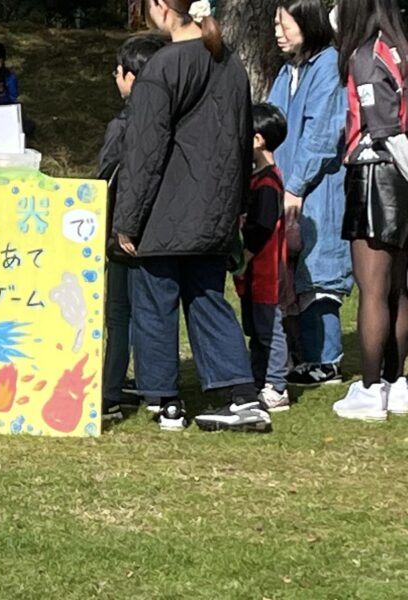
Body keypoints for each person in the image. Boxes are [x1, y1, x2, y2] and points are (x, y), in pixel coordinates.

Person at [113, 0, 271, 433]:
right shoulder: (231, 65)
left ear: (162, 7)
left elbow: (144, 150)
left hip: (164, 211)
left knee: (154, 304)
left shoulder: (163, 67)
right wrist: (237, 206)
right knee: (207, 299)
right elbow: (242, 143)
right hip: (215, 208)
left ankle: (166, 402)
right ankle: (242, 395)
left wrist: (127, 219)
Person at [268, 0, 353, 385]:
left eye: (285, 24)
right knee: (289, 274)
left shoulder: (328, 67)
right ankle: (299, 356)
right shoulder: (288, 71)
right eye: (276, 23)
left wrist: (295, 186)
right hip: (286, 185)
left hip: (317, 189)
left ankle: (325, 359)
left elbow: (322, 136)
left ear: (309, 23)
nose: (278, 31)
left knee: (318, 275)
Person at [332, 0, 408, 420]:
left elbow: (384, 129)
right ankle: (397, 383)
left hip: (376, 170)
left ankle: (368, 388)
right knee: (400, 287)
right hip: (400, 177)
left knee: (373, 289)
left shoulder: (366, 55)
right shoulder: (402, 48)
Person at [97, 33, 167, 421]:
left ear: (131, 78)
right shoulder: (173, 121)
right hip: (160, 232)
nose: (115, 77)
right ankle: (152, 383)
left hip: (121, 234)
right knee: (153, 310)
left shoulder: (122, 126)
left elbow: (105, 179)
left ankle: (111, 388)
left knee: (119, 313)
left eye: (119, 72)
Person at [235, 103, 291, 412]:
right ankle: (259, 379)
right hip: (253, 274)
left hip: (266, 271)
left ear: (258, 140)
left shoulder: (268, 182)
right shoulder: (256, 178)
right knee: (256, 330)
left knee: (270, 329)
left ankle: (277, 386)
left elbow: (262, 227)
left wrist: (245, 254)